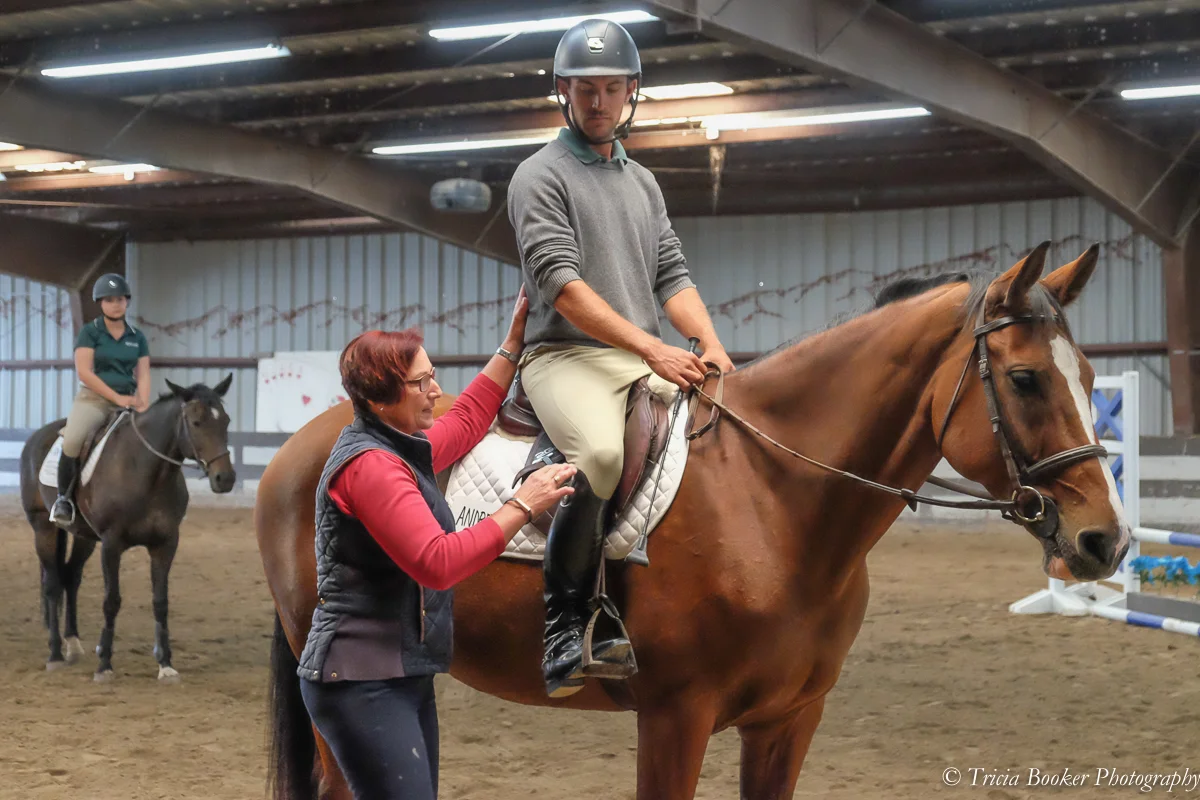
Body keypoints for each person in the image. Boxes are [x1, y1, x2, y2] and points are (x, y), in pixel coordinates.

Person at [507, 18, 737, 698]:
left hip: (640, 357)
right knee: (602, 458)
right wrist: (653, 348)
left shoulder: (644, 184)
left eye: (612, 88)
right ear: (563, 93)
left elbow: (672, 276)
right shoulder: (538, 177)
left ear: (632, 92)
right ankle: (563, 621)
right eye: (586, 90)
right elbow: (566, 290)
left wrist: (712, 342)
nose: (599, 102)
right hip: (566, 356)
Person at [297, 288, 576, 800]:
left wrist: (512, 343)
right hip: (361, 681)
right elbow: (437, 562)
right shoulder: (372, 468)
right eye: (421, 381)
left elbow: (467, 420)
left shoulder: (399, 446)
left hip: (396, 672)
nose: (434, 388)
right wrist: (522, 505)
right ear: (384, 396)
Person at [50, 273, 151, 525]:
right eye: (109, 300)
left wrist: (143, 400)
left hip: (127, 401)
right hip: (93, 400)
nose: (115, 304)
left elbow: (144, 373)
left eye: (119, 299)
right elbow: (84, 371)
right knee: (72, 441)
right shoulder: (89, 332)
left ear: (126, 302)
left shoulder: (137, 337)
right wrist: (117, 397)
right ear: (100, 303)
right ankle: (64, 499)